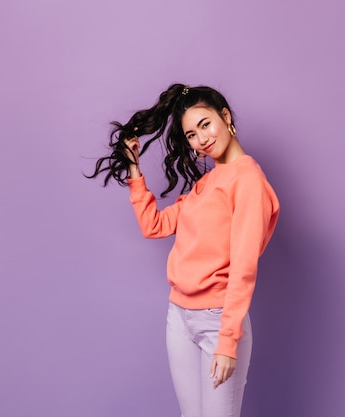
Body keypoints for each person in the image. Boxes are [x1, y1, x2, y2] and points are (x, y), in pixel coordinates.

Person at [87, 83, 280, 417]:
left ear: (225, 116)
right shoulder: (207, 182)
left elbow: (244, 265)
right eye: (191, 134)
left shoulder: (246, 179)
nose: (201, 139)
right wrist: (134, 168)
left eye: (205, 124)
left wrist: (229, 340)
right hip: (179, 316)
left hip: (218, 321)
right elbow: (155, 225)